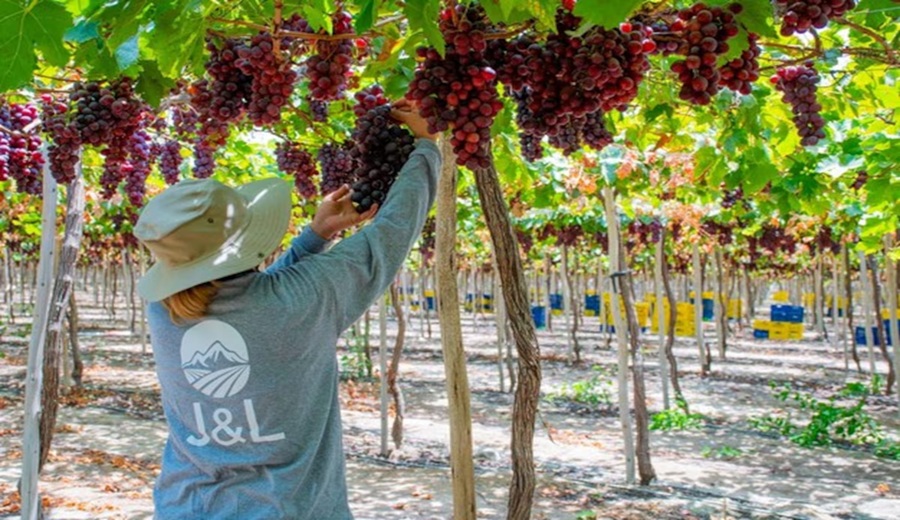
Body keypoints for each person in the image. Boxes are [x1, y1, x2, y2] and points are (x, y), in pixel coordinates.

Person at [134, 100, 440, 519]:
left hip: (184, 507)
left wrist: (314, 237)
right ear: (244, 242)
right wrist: (427, 145)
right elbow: (390, 234)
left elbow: (254, 300)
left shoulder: (162, 309)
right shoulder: (305, 298)